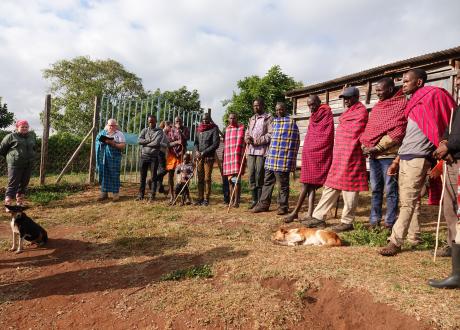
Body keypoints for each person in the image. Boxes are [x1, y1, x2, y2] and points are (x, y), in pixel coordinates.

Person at [380, 68, 457, 256]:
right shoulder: (412, 104)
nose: (403, 84)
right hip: (406, 156)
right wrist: (396, 160)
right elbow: (409, 137)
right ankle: (413, 237)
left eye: (407, 81)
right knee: (409, 200)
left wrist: (444, 146)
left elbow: (446, 122)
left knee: (407, 202)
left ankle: (395, 241)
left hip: (419, 157)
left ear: (419, 82)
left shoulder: (433, 96)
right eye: (403, 81)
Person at [305, 86, 368, 232]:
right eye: (344, 98)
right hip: (340, 156)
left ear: (356, 98)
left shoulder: (361, 112)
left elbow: (355, 134)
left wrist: (348, 150)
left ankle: (347, 221)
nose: (345, 101)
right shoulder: (348, 112)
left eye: (348, 98)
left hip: (352, 156)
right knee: (330, 186)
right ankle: (318, 217)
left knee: (349, 189)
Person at [360, 78, 408, 230]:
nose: (378, 94)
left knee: (390, 190)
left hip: (389, 156)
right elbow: (371, 128)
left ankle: (390, 222)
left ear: (391, 89)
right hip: (374, 156)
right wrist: (365, 144)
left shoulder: (401, 104)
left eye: (380, 90)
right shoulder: (377, 107)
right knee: (375, 189)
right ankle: (374, 221)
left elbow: (399, 131)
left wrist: (378, 147)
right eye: (376, 91)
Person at [429, 73, 460, 288]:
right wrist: (444, 142)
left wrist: (450, 146)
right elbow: (449, 131)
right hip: (452, 161)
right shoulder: (457, 108)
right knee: (451, 208)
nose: (457, 82)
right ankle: (455, 263)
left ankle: (457, 275)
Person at [284, 95, 334, 223]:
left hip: (319, 154)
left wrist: (315, 147)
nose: (311, 107)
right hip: (309, 154)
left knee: (306, 184)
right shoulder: (313, 115)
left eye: (313, 104)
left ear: (319, 102)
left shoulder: (326, 113)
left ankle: (295, 212)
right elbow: (312, 133)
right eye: (309, 105)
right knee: (309, 185)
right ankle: (309, 213)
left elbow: (326, 135)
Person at [252, 102, 300, 215]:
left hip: (283, 160)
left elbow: (294, 142)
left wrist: (290, 158)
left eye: (281, 110)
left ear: (285, 109)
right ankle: (263, 204)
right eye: (277, 110)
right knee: (267, 182)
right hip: (272, 157)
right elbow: (272, 139)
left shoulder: (291, 123)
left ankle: (283, 206)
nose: (279, 112)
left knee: (282, 184)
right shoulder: (274, 122)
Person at [0, 119, 37, 208]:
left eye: (26, 127)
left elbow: (33, 148)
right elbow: (2, 149)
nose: (24, 128)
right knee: (13, 183)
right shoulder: (11, 136)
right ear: (17, 127)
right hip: (15, 164)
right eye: (22, 127)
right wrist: (12, 157)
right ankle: (8, 203)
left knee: (24, 184)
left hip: (28, 164)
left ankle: (19, 202)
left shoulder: (31, 136)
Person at [245, 97, 273, 209]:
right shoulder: (252, 119)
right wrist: (247, 138)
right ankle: (254, 199)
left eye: (258, 105)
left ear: (262, 105)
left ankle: (261, 201)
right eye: (254, 106)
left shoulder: (268, 118)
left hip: (262, 151)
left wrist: (256, 141)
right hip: (251, 151)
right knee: (251, 174)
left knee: (259, 174)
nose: (256, 107)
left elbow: (270, 134)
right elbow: (247, 132)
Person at [137, 115, 168, 202]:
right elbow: (139, 140)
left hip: (154, 157)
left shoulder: (159, 131)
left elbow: (156, 143)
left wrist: (145, 143)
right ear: (148, 122)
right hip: (144, 156)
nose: (151, 123)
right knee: (142, 177)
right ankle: (141, 194)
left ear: (156, 121)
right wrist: (148, 141)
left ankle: (152, 195)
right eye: (149, 122)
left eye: (152, 121)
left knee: (154, 177)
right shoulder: (144, 130)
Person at [95, 119, 126, 201]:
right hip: (103, 158)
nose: (111, 127)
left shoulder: (119, 134)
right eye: (110, 125)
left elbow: (123, 145)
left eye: (113, 125)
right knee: (104, 173)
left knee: (114, 174)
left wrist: (114, 144)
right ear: (107, 125)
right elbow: (97, 141)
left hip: (114, 158)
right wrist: (103, 141)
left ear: (116, 126)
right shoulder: (103, 133)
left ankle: (115, 194)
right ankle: (103, 193)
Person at [194, 113, 220, 206]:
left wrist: (203, 152)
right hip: (199, 157)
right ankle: (200, 198)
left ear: (210, 119)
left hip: (208, 157)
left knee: (207, 178)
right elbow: (196, 142)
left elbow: (215, 144)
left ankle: (206, 198)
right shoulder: (199, 129)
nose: (205, 121)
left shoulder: (214, 129)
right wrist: (197, 151)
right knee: (200, 178)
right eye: (203, 119)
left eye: (207, 119)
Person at [223, 113, 246, 207]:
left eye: (234, 118)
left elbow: (242, 142)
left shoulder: (241, 128)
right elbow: (226, 144)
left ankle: (237, 201)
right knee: (230, 181)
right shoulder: (227, 129)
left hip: (237, 157)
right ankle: (231, 200)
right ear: (228, 119)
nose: (232, 120)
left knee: (236, 180)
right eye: (230, 118)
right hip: (228, 158)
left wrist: (237, 154)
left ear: (237, 118)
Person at [166, 117, 190, 203]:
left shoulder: (186, 129)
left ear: (182, 122)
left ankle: (184, 197)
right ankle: (172, 196)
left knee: (183, 176)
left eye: (180, 121)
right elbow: (168, 144)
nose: (178, 122)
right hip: (172, 155)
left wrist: (180, 132)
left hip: (182, 155)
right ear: (174, 122)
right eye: (176, 121)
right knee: (170, 176)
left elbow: (186, 139)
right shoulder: (171, 130)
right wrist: (176, 142)